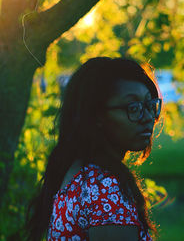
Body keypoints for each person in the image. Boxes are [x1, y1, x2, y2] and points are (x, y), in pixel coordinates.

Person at [26, 57, 162, 241]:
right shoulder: (105, 189)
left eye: (149, 104)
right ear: (97, 115)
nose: (147, 117)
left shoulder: (78, 171)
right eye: (133, 107)